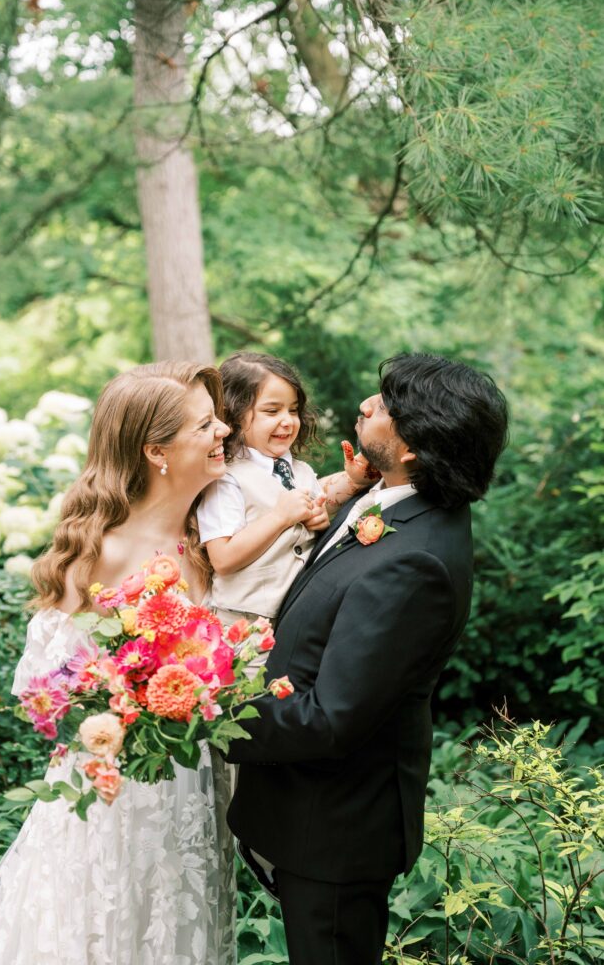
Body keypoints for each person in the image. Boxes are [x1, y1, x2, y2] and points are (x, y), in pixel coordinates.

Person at [0, 362, 235, 965]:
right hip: (114, 794)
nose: (225, 429)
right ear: (157, 451)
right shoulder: (104, 551)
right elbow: (42, 687)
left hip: (195, 788)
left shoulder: (217, 537)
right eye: (205, 424)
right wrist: (129, 699)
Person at [225, 352, 509, 965]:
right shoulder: (397, 501)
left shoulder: (417, 562)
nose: (366, 406)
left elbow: (330, 717)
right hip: (307, 811)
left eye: (384, 405)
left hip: (335, 829)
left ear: (411, 447)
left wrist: (206, 715)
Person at [197, 351, 375, 630]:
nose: (287, 420)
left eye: (293, 410)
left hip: (295, 619)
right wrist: (280, 517)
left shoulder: (300, 471)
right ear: (233, 415)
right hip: (242, 626)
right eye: (271, 411)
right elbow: (223, 559)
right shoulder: (226, 478)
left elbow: (308, 522)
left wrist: (318, 520)